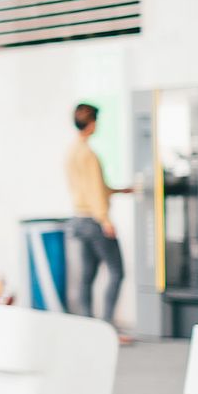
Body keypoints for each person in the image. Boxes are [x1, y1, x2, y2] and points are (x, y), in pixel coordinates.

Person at [65, 103, 134, 342]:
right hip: (95, 221)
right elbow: (95, 190)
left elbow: (87, 189)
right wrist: (105, 219)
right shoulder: (90, 155)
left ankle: (87, 328)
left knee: (87, 276)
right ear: (92, 123)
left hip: (78, 219)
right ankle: (107, 327)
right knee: (117, 272)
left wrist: (118, 190)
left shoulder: (72, 152)